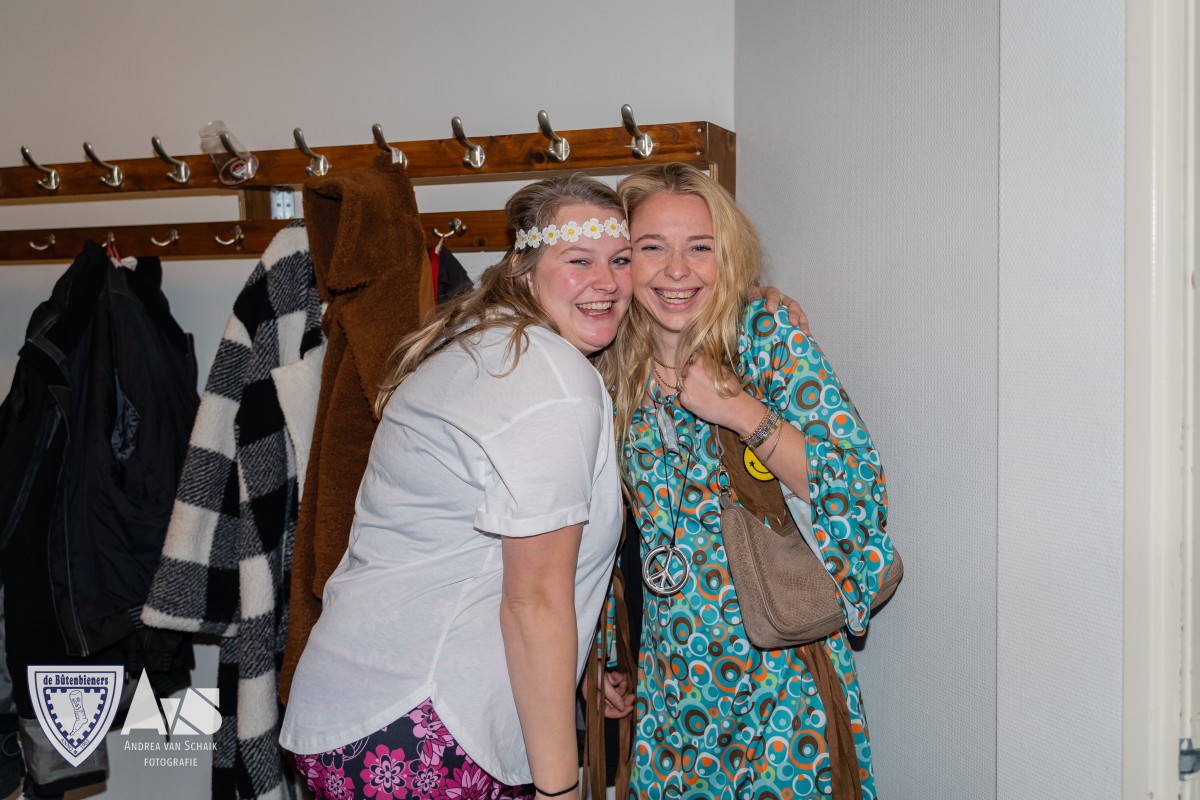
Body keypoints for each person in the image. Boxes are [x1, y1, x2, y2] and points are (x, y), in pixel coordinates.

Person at [280, 174, 634, 800]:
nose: (606, 281)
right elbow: (533, 603)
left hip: (364, 703)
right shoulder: (547, 378)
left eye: (621, 260)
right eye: (579, 260)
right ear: (523, 268)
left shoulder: (482, 337)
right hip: (421, 722)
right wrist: (559, 789)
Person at [595, 163, 896, 799]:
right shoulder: (609, 364)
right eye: (652, 248)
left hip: (780, 685)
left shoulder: (763, 335)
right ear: (624, 260)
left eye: (700, 248)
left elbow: (856, 483)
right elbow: (598, 528)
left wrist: (739, 410)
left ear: (726, 257)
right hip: (671, 689)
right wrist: (605, 655)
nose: (677, 271)